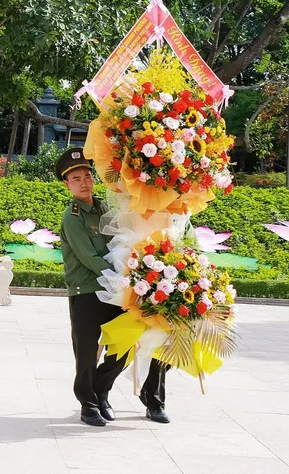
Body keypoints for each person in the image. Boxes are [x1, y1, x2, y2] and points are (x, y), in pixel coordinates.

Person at [55, 148, 170, 427]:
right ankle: (88, 403)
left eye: (86, 176)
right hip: (87, 291)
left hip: (114, 290)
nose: (84, 182)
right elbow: (91, 259)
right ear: (66, 184)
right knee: (85, 351)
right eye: (76, 179)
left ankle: (101, 389)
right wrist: (126, 277)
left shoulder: (104, 209)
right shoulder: (72, 218)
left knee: (122, 345)